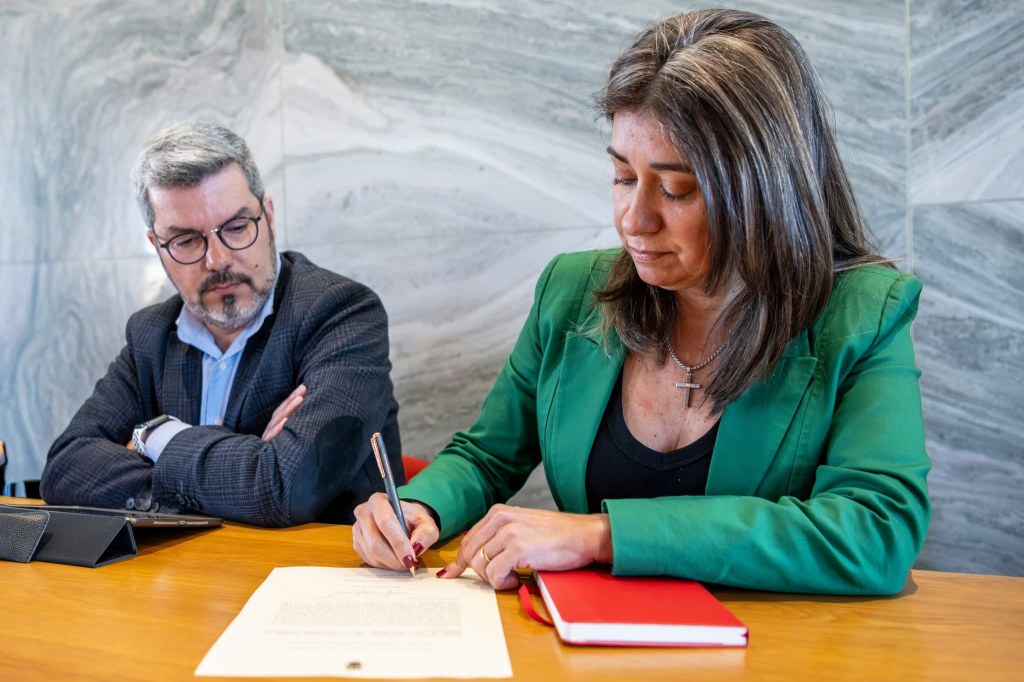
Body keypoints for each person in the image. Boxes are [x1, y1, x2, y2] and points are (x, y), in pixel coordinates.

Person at [352, 8, 930, 594]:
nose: (634, 220)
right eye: (623, 178)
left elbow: (877, 532)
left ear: (765, 191)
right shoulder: (571, 291)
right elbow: (487, 457)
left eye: (676, 189)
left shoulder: (864, 313)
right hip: (583, 636)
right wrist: (420, 507)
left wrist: (604, 535)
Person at [41, 120, 401, 527]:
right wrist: (251, 461)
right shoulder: (149, 335)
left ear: (268, 217)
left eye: (236, 227)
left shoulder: (341, 313)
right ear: (157, 246)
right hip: (189, 566)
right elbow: (65, 468)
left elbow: (288, 488)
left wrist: (154, 437)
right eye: (186, 240)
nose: (218, 260)